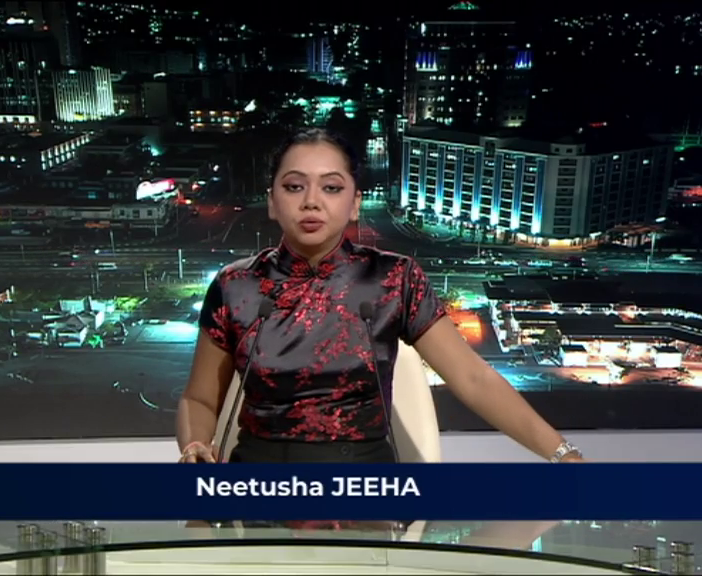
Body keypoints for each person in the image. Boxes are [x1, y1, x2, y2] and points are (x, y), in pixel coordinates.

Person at [176, 128, 584, 466]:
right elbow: (199, 399)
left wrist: (563, 455)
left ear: (354, 203)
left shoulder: (394, 278)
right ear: (272, 202)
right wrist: (195, 445)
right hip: (259, 487)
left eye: (331, 187)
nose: (311, 201)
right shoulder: (237, 284)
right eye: (294, 186)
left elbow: (473, 379)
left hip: (368, 487)